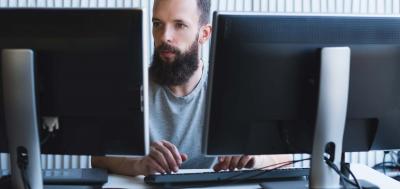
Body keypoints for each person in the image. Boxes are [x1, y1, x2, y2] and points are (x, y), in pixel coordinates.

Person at [92, 0, 291, 176]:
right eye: (157, 24)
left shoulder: (237, 87)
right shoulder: (130, 85)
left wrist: (253, 159)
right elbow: (99, 157)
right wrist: (140, 163)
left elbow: (285, 158)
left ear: (204, 34)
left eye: (179, 25)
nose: (164, 37)